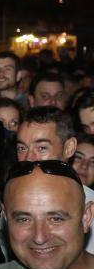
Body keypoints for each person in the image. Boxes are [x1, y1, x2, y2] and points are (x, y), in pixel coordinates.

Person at [16, 106, 94, 253]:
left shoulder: (89, 205)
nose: (28, 158)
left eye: (42, 148)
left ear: (69, 148)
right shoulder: (11, 199)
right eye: (22, 148)